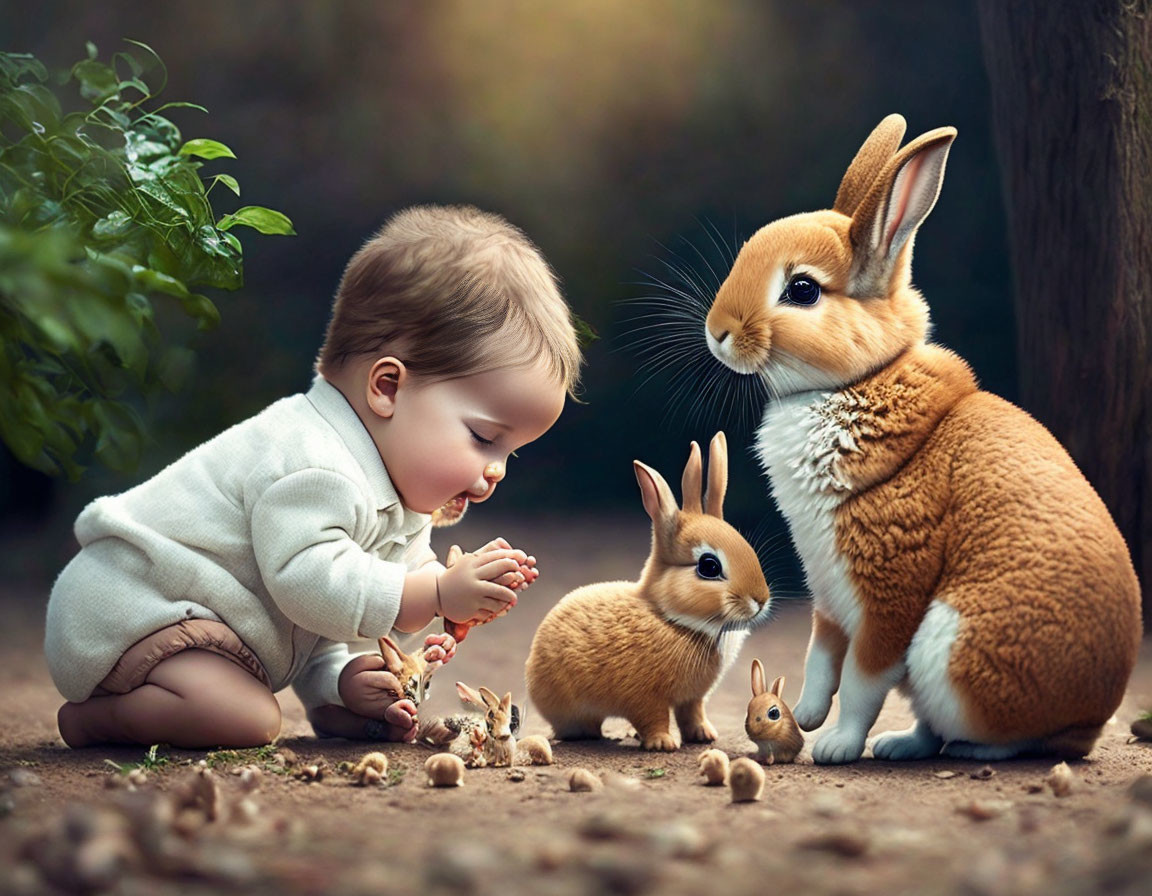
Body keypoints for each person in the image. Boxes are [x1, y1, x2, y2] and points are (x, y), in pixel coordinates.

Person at [45, 204, 583, 749]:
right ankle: (99, 720)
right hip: (137, 607)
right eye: (485, 438)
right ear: (388, 388)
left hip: (217, 623)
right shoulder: (312, 463)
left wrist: (348, 680)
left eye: (512, 452)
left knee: (351, 667)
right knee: (246, 720)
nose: (495, 471)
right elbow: (309, 583)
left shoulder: (392, 489)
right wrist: (436, 592)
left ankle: (337, 702)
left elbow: (337, 613)